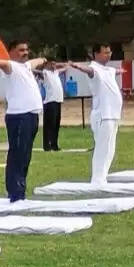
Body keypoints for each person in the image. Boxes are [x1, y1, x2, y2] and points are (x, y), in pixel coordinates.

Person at [0, 41, 46, 202]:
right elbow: (1, 63)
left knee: (25, 155)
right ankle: (15, 193)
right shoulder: (11, 66)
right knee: (17, 155)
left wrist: (43, 60)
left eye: (27, 50)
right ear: (11, 52)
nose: (25, 52)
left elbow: (37, 60)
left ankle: (20, 191)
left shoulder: (26, 66)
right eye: (21, 50)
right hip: (19, 117)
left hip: (31, 115)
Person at [70, 44, 122, 185]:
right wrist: (78, 67)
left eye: (110, 52)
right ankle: (97, 179)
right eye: (105, 52)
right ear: (96, 54)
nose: (109, 54)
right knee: (102, 147)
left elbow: (114, 71)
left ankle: (102, 177)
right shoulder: (95, 69)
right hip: (103, 114)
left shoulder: (108, 70)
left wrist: (119, 71)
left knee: (110, 148)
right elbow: (89, 70)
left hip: (113, 114)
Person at [40, 61, 68, 151]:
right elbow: (37, 71)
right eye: (51, 64)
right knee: (49, 125)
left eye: (54, 64)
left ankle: (54, 144)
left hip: (58, 101)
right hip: (50, 102)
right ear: (46, 65)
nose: (53, 66)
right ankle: (47, 145)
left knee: (56, 124)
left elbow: (65, 67)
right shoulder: (45, 73)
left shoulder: (56, 72)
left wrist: (61, 64)